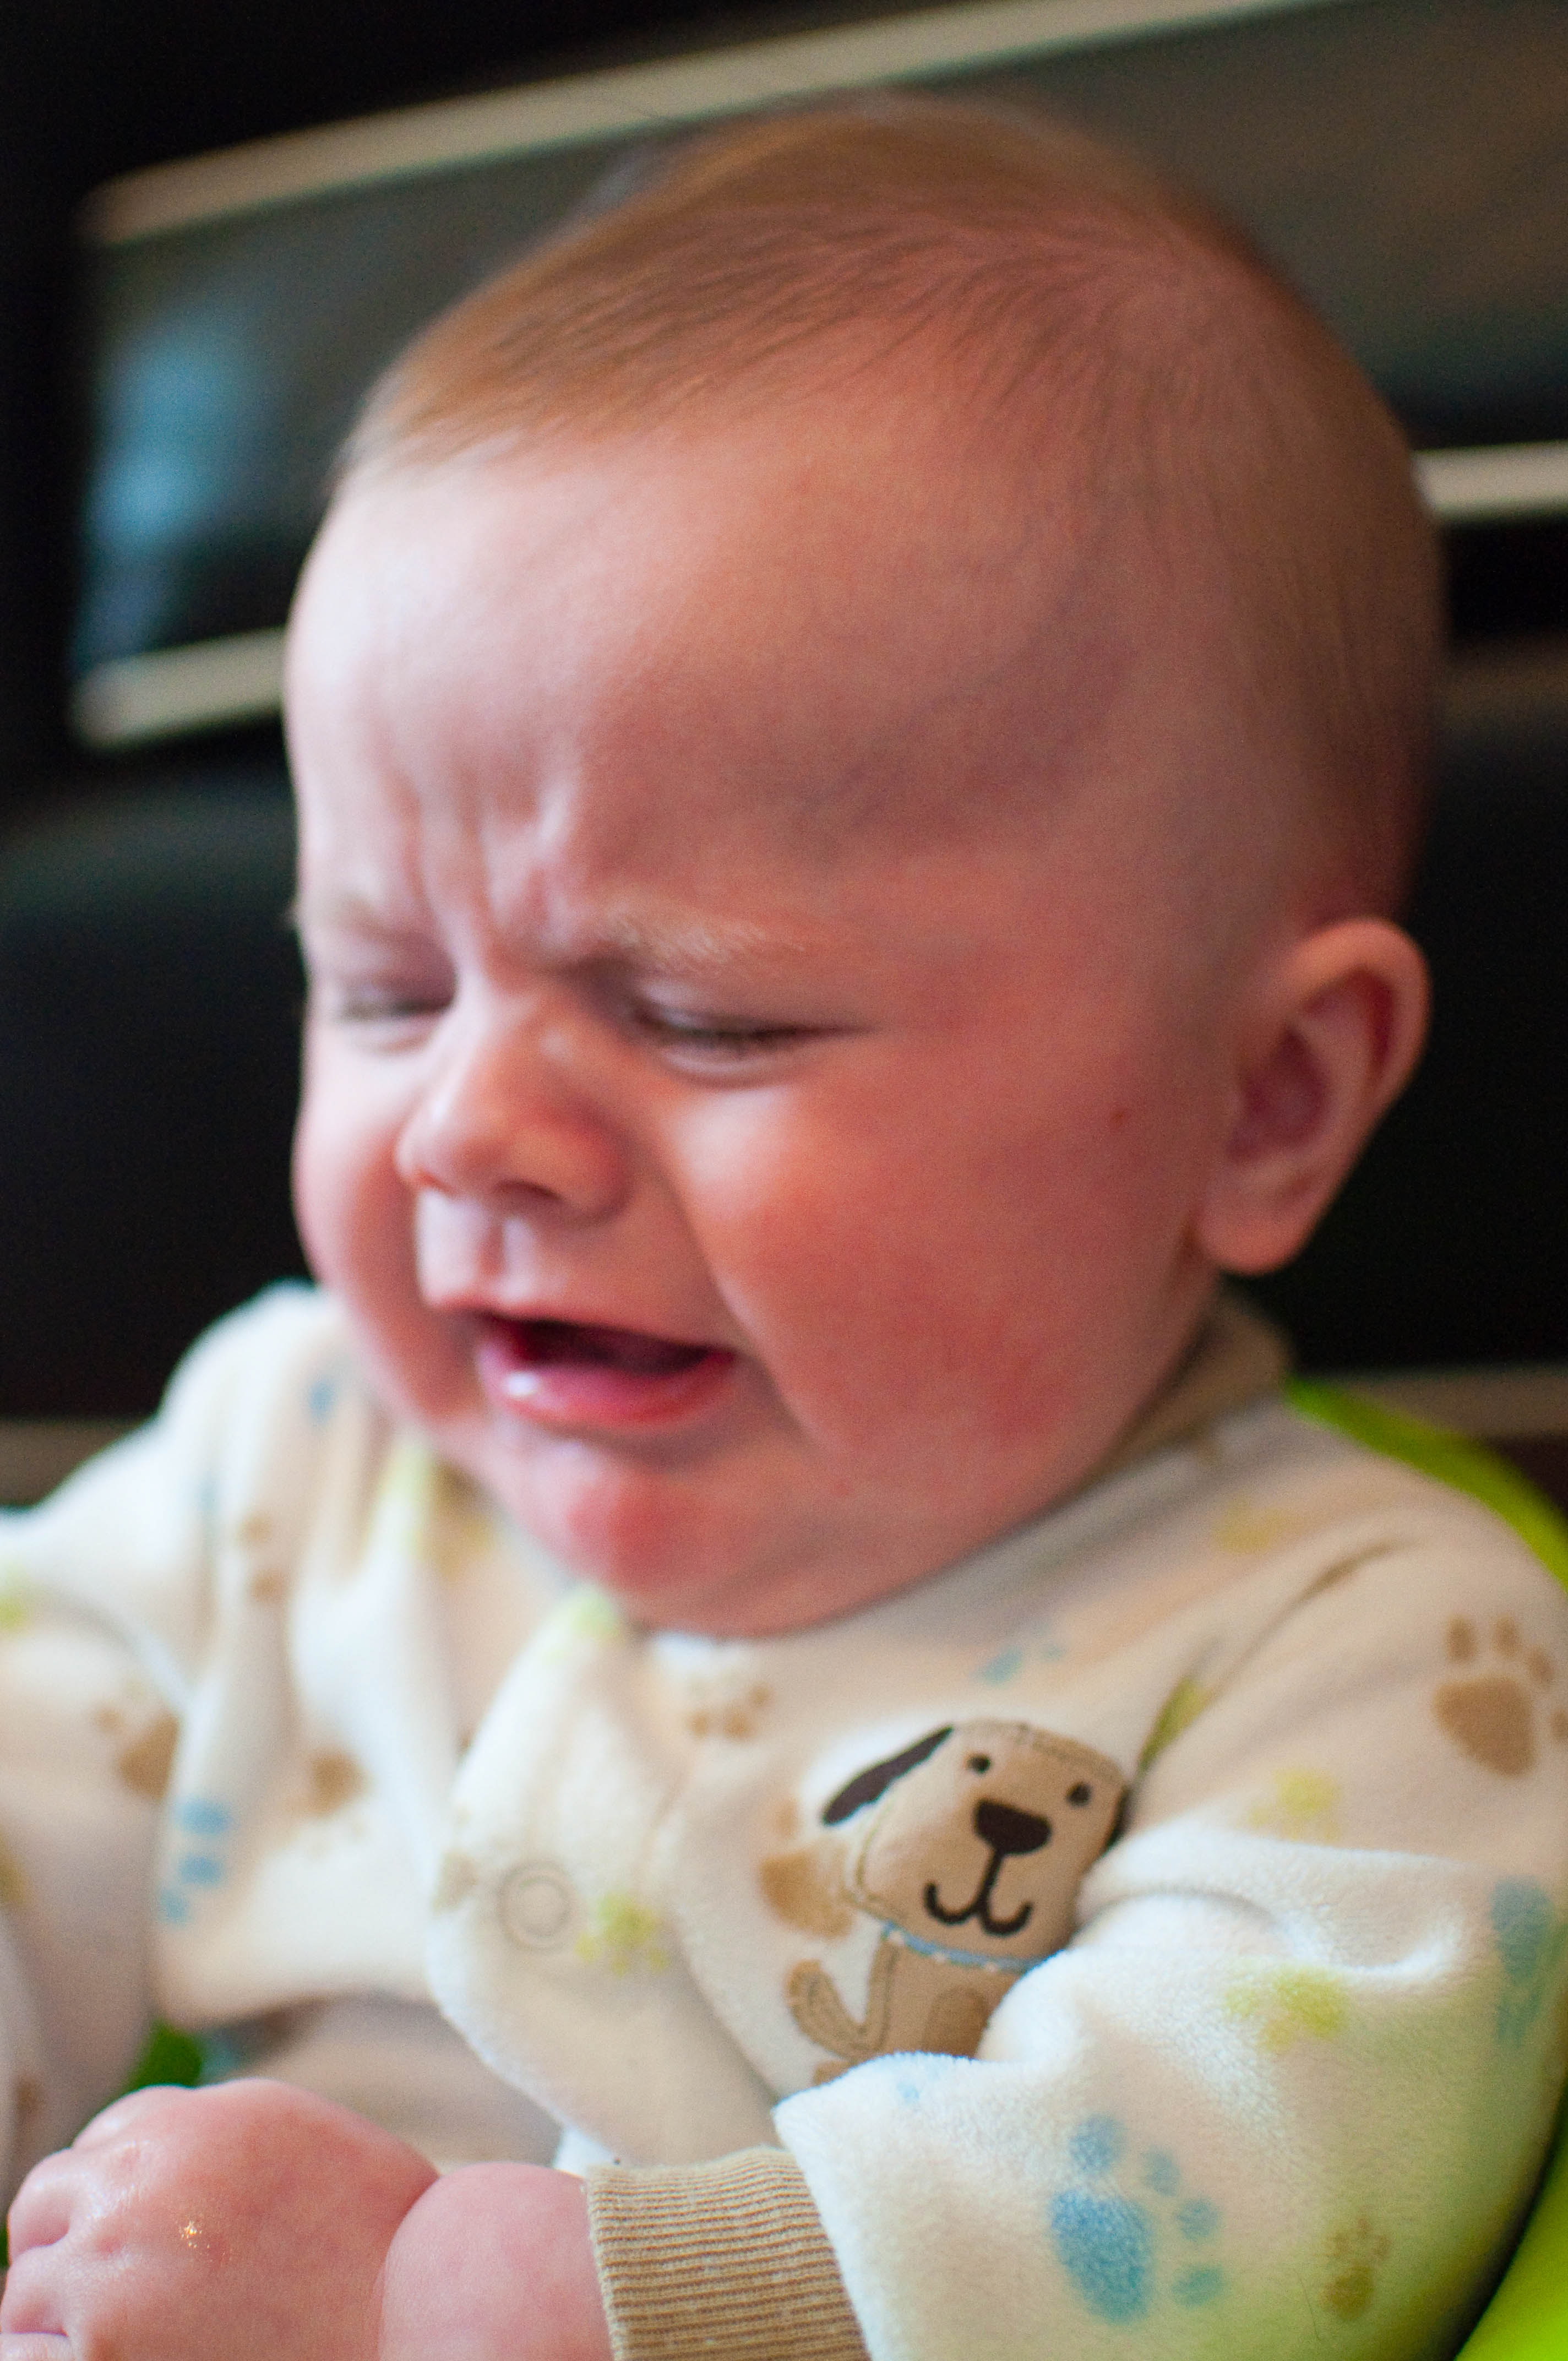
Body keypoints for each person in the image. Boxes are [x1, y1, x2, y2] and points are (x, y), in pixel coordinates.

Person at [1, 95, 1564, 2361]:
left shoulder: (1376, 1654)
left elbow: (1231, 2210)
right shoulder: (294, 1459)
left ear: (1266, 1094)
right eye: (384, 986)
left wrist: (476, 2301)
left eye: (695, 1008)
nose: (471, 1131)